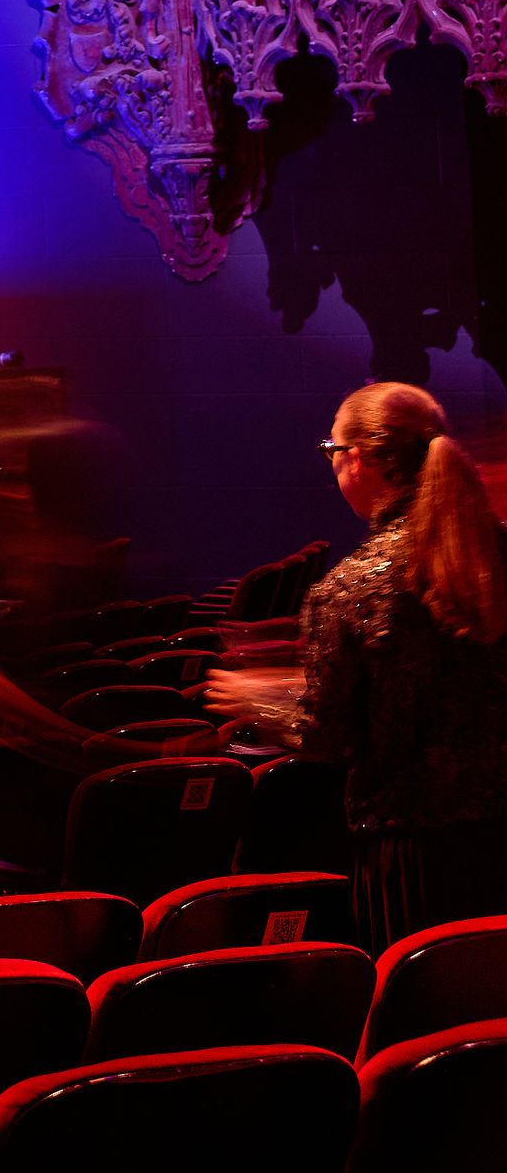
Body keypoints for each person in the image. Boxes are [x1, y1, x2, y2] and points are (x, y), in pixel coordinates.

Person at [210, 383, 507, 943]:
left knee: (423, 995)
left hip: (414, 853)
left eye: (331, 449)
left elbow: (326, 736)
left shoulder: (351, 587)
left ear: (358, 458)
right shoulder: (497, 554)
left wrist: (263, 702)